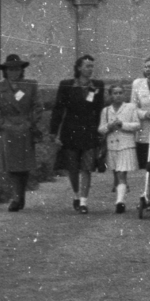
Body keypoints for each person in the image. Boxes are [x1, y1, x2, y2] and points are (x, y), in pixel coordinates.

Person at [48, 54, 106, 213]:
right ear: (79, 67)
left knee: (87, 167)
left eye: (92, 66)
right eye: (87, 66)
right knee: (72, 167)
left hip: (89, 131)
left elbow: (100, 110)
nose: (90, 69)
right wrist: (54, 131)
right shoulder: (67, 85)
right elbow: (59, 109)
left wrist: (101, 130)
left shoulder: (97, 85)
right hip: (70, 131)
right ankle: (75, 194)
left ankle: (83, 201)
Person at [0, 53, 43, 212]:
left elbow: (38, 107)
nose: (14, 72)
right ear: (5, 71)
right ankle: (16, 197)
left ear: (21, 70)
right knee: (11, 165)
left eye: (17, 69)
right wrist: (2, 124)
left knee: (24, 165)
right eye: (10, 69)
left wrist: (30, 123)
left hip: (25, 129)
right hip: (8, 130)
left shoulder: (30, 86)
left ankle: (21, 194)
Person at [98, 83, 141, 213]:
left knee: (122, 173)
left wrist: (122, 124)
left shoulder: (131, 107)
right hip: (111, 145)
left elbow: (137, 125)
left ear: (124, 94)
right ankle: (121, 192)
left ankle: (120, 201)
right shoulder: (106, 110)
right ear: (110, 95)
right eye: (115, 93)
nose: (118, 95)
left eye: (120, 93)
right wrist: (109, 127)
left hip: (126, 144)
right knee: (117, 173)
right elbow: (101, 129)